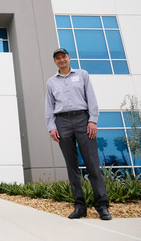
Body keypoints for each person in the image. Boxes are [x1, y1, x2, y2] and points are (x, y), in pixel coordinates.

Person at [45, 48, 111, 220]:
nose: (61, 60)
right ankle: (80, 206)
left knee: (92, 165)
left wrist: (93, 120)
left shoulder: (82, 74)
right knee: (71, 167)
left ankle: (102, 206)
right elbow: (49, 107)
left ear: (69, 58)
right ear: (55, 61)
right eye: (58, 58)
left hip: (83, 119)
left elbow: (91, 98)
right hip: (62, 122)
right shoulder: (51, 82)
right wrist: (51, 127)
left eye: (64, 57)